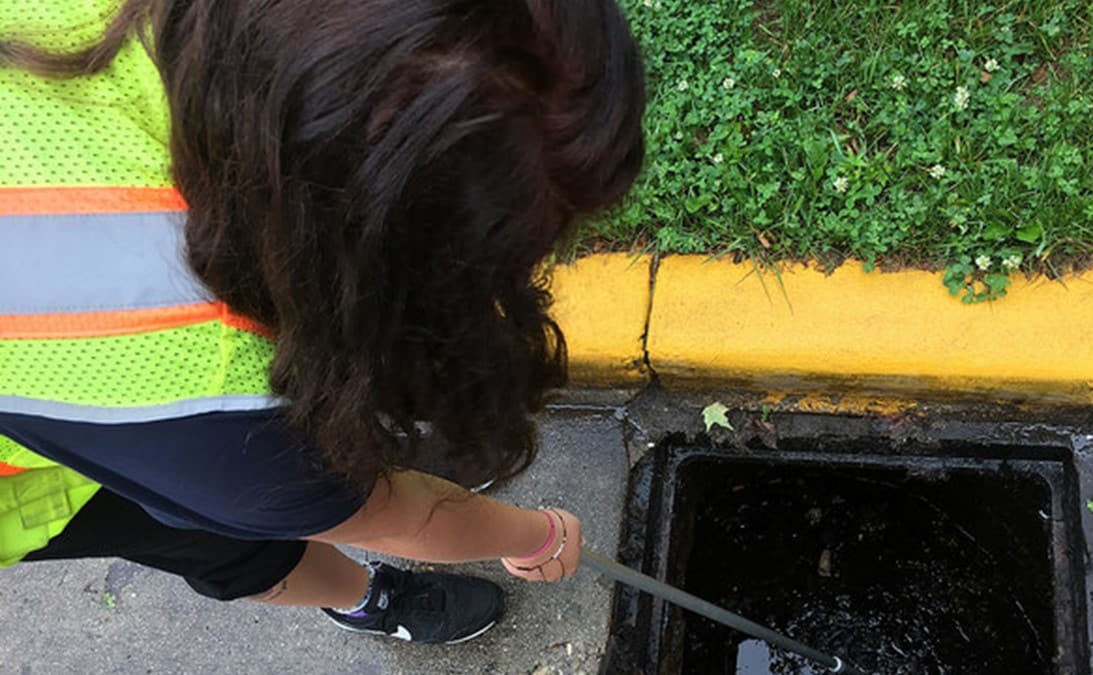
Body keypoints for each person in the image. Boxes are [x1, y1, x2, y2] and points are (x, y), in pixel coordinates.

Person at [0, 0, 644, 646]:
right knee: (220, 539)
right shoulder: (223, 413)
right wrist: (532, 536)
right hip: (30, 468)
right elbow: (395, 518)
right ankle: (365, 597)